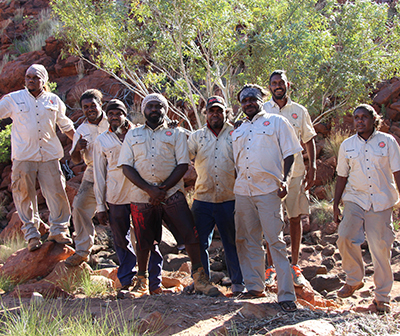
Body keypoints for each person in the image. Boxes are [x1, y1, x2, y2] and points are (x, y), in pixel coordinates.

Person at [118, 93, 220, 296]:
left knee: (190, 234)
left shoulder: (176, 134)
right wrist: (150, 190)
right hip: (141, 196)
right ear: (143, 110)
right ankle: (141, 283)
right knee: (143, 240)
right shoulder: (133, 134)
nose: (154, 109)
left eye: (159, 106)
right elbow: (126, 166)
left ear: (165, 109)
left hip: (172, 194)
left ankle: (200, 279)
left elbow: (183, 164)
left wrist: (161, 189)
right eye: (150, 106)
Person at [232, 84, 302, 312]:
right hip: (243, 190)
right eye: (244, 100)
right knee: (246, 239)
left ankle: (286, 294)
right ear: (241, 105)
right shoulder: (239, 130)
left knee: (275, 241)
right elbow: (237, 163)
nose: (248, 103)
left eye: (252, 99)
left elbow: (290, 153)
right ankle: (254, 286)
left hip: (268, 190)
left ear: (261, 100)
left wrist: (286, 180)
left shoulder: (276, 122)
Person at [0, 64, 75, 251]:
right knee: (24, 194)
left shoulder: (53, 100)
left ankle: (59, 230)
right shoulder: (13, 99)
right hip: (23, 157)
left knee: (57, 192)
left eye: (35, 77)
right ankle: (32, 235)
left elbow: (66, 126)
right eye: (28, 77)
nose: (30, 80)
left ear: (44, 80)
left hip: (49, 156)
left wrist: (81, 145)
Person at [334, 104, 400, 313]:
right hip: (355, 198)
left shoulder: (387, 142)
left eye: (364, 117)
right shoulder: (347, 145)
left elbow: (397, 172)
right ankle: (354, 279)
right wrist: (335, 204)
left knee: (380, 247)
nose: (359, 121)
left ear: (374, 119)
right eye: (356, 117)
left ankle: (382, 297)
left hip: (381, 200)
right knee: (344, 236)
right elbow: (342, 176)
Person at [93, 99, 163, 294]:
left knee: (150, 238)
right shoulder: (101, 140)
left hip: (142, 194)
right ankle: (126, 280)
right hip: (116, 196)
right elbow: (99, 174)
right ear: (107, 117)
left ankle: (154, 281)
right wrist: (100, 206)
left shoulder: (139, 133)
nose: (115, 117)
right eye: (111, 114)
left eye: (118, 113)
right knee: (121, 239)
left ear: (125, 115)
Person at [263, 70, 317, 287]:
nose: (278, 86)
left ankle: (295, 265)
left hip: (295, 174)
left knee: (295, 218)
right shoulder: (263, 110)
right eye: (274, 83)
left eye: (281, 83)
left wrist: (312, 166)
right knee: (271, 221)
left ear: (288, 85)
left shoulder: (299, 111)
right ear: (269, 87)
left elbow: (309, 138)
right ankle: (270, 267)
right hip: (270, 175)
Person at [188, 96, 244, 296]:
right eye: (211, 111)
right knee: (199, 242)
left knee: (232, 241)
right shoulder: (197, 137)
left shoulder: (236, 133)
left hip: (229, 198)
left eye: (219, 111)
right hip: (202, 198)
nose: (215, 114)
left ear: (225, 113)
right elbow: (184, 156)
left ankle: (238, 282)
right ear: (206, 114)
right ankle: (201, 282)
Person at [66, 89, 109, 266]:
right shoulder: (81, 130)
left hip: (117, 170)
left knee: (123, 212)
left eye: (93, 105)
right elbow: (75, 161)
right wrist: (77, 149)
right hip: (92, 172)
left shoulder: (114, 118)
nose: (90, 109)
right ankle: (83, 250)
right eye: (85, 107)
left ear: (101, 104)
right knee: (80, 205)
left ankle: (136, 254)